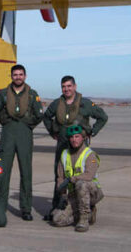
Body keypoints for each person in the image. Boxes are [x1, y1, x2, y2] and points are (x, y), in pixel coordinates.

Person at [42, 75, 108, 220]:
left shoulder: (85, 103)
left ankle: (88, 207)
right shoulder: (56, 104)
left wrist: (93, 131)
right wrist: (53, 132)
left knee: (82, 176)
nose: (66, 89)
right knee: (59, 175)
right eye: (64, 87)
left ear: (75, 86)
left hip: (79, 146)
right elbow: (46, 117)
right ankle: (58, 205)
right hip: (63, 144)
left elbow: (103, 117)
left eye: (69, 86)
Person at [0, 63, 43, 221]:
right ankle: (1, 206)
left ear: (25, 76)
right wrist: (8, 122)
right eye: (15, 75)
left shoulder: (32, 94)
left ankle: (26, 208)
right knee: (3, 171)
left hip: (24, 134)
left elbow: (38, 114)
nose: (18, 77)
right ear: (11, 76)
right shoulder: (3, 94)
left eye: (20, 74)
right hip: (8, 134)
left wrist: (27, 124)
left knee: (26, 172)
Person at [49, 124, 102, 232]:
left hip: (92, 192)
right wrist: (63, 194)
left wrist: (73, 178)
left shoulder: (90, 154)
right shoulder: (64, 154)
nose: (74, 140)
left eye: (77, 136)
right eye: (72, 137)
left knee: (81, 184)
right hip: (74, 194)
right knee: (57, 219)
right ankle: (88, 213)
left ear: (83, 138)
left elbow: (89, 175)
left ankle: (84, 220)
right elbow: (60, 177)